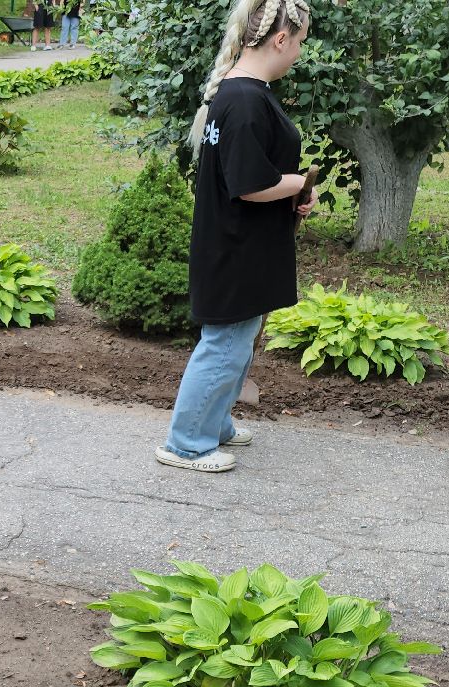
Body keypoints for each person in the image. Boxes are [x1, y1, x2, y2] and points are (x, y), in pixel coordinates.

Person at [158, 0, 313, 474]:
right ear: (280, 39)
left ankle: (215, 422)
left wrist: (291, 191)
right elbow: (249, 184)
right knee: (225, 342)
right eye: (300, 43)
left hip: (238, 243)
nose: (299, 54)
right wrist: (300, 183)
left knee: (236, 340)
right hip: (236, 246)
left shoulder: (240, 92)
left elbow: (247, 171)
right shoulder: (246, 99)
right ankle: (186, 442)